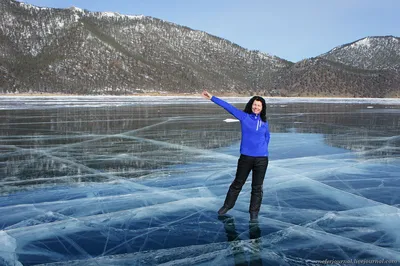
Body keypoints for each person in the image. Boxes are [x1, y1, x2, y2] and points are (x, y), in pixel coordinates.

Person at [201, 90, 270, 221]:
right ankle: (227, 206)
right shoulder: (244, 117)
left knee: (257, 187)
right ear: (251, 105)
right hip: (246, 157)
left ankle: (254, 213)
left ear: (262, 108)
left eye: (259, 105)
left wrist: (263, 150)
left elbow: (267, 137)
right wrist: (212, 98)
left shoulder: (265, 122)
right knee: (238, 183)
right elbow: (228, 107)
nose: (256, 107)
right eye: (254, 104)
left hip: (262, 159)